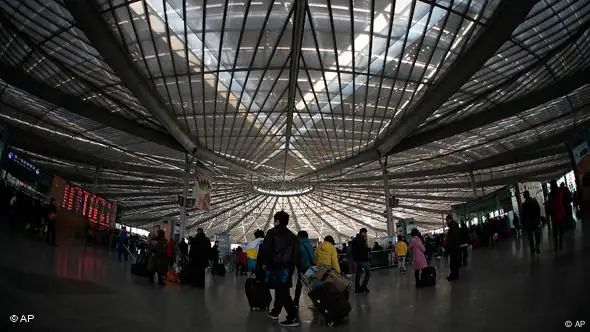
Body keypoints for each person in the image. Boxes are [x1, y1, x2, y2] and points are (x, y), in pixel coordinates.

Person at [262, 211, 300, 327]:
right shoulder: (293, 236)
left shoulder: (272, 233)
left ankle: (292, 317)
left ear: (277, 220)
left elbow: (266, 250)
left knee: (283, 292)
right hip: (288, 267)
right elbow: (296, 254)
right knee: (281, 289)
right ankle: (275, 312)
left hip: (275, 266)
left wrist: (265, 263)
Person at [294, 230, 314, 307]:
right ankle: (316, 301)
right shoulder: (309, 244)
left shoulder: (299, 245)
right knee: (312, 285)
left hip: (303, 267)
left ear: (299, 237)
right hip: (311, 267)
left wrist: (298, 267)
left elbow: (299, 257)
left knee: (299, 285)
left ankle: (296, 302)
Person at [547, 180, 566, 251]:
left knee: (555, 232)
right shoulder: (560, 191)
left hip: (554, 214)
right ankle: (560, 244)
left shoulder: (550, 194)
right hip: (561, 213)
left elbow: (549, 204)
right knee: (561, 231)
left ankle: (556, 245)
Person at [352, 228, 371, 293]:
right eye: (365, 233)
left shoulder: (354, 240)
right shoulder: (362, 239)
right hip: (363, 260)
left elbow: (353, 250)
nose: (366, 234)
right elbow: (364, 249)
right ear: (362, 233)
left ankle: (357, 288)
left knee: (358, 274)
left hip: (357, 260)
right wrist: (368, 248)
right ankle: (363, 287)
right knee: (368, 273)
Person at [445, 215, 461, 281]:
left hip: (453, 247)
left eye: (446, 220)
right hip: (454, 247)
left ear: (449, 219)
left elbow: (453, 238)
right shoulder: (454, 225)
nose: (446, 222)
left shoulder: (453, 226)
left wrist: (449, 246)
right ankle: (453, 274)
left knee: (453, 262)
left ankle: (454, 275)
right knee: (454, 261)